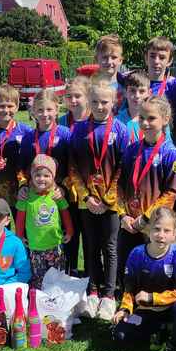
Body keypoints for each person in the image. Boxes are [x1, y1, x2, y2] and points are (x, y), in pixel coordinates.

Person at [68, 81, 129, 320]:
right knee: (91, 246)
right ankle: (93, 291)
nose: (100, 106)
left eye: (105, 102)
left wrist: (108, 198)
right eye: (95, 102)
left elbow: (123, 167)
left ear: (114, 102)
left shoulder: (121, 130)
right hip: (87, 201)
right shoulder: (79, 129)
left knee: (110, 247)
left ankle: (109, 295)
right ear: (88, 102)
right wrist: (86, 196)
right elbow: (73, 166)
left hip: (111, 202)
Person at [112, 207, 176, 351]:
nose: (161, 235)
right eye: (156, 229)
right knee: (120, 335)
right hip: (146, 310)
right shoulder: (137, 254)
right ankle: (158, 331)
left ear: (175, 234)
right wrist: (125, 309)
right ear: (148, 231)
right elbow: (129, 288)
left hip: (170, 310)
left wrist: (152, 297)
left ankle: (173, 345)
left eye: (167, 231)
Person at [116, 97, 176, 291]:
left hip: (154, 226)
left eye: (151, 118)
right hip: (129, 224)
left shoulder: (171, 154)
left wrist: (146, 218)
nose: (145, 123)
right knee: (127, 268)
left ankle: (153, 305)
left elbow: (170, 193)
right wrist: (123, 215)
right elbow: (119, 185)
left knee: (153, 272)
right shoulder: (131, 150)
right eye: (142, 118)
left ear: (165, 119)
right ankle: (127, 302)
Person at [15, 154, 74, 289]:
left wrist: (70, 231)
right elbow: (20, 218)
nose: (42, 179)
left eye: (46, 176)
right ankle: (39, 298)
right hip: (35, 247)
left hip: (55, 245)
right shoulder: (26, 196)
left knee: (58, 277)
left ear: (53, 177)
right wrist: (19, 236)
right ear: (31, 176)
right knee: (38, 278)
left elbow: (65, 213)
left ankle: (57, 296)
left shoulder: (56, 195)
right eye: (37, 175)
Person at [57, 76, 91, 275]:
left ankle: (90, 275)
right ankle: (69, 273)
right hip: (66, 190)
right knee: (69, 234)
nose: (73, 100)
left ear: (87, 96)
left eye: (78, 96)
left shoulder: (95, 120)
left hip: (89, 191)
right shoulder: (60, 122)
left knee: (89, 237)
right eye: (69, 96)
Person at [0, 84, 32, 211]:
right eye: (1, 106)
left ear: (17, 107)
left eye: (10, 106)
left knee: (22, 223)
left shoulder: (26, 132)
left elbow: (31, 160)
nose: (5, 110)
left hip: (21, 189)